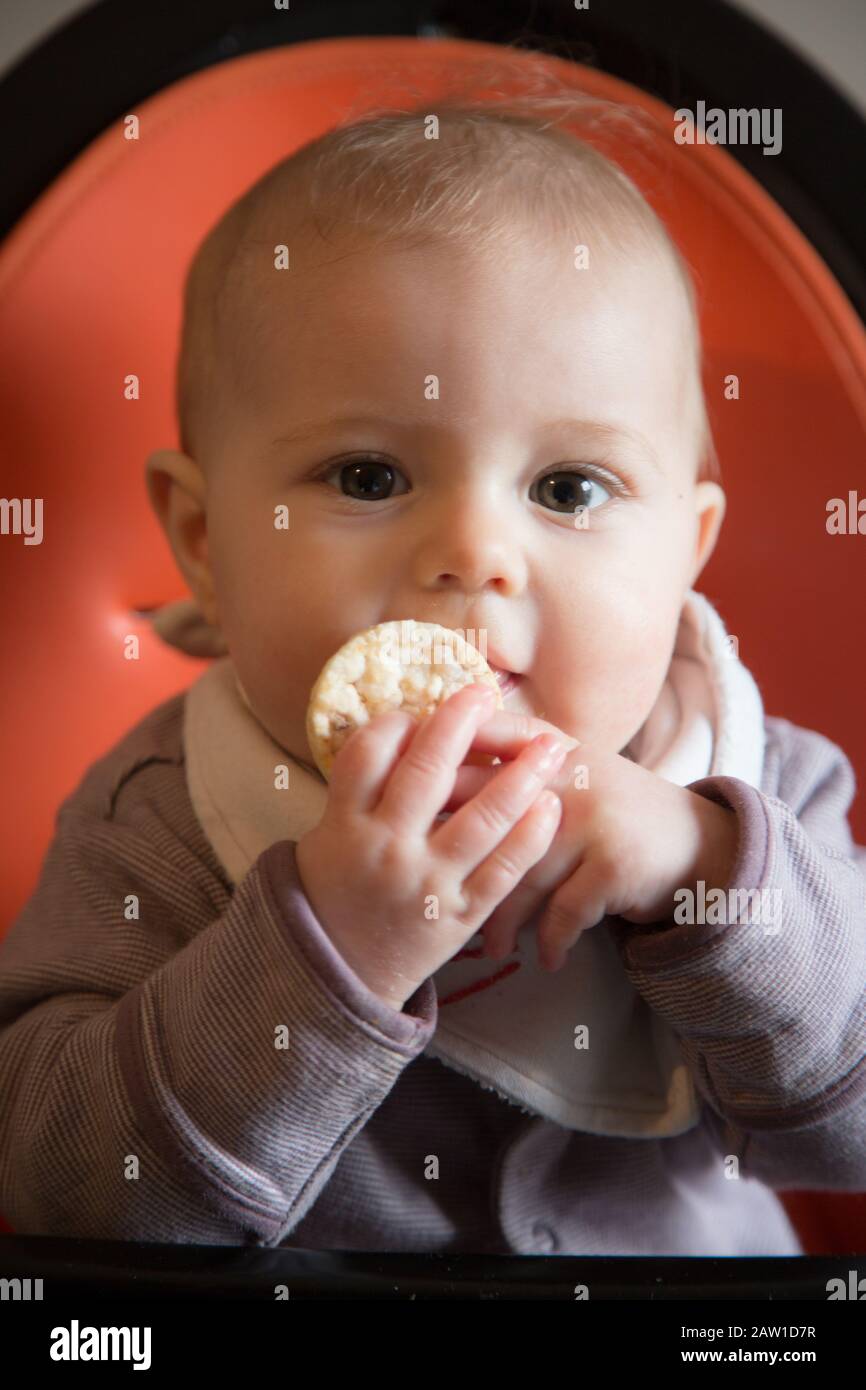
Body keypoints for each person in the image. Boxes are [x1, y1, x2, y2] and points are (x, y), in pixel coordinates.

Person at [1, 89, 863, 1254]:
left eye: (567, 488)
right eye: (365, 478)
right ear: (206, 544)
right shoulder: (160, 817)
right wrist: (326, 952)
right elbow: (71, 1192)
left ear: (682, 552)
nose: (471, 556)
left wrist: (700, 876)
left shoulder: (751, 787)